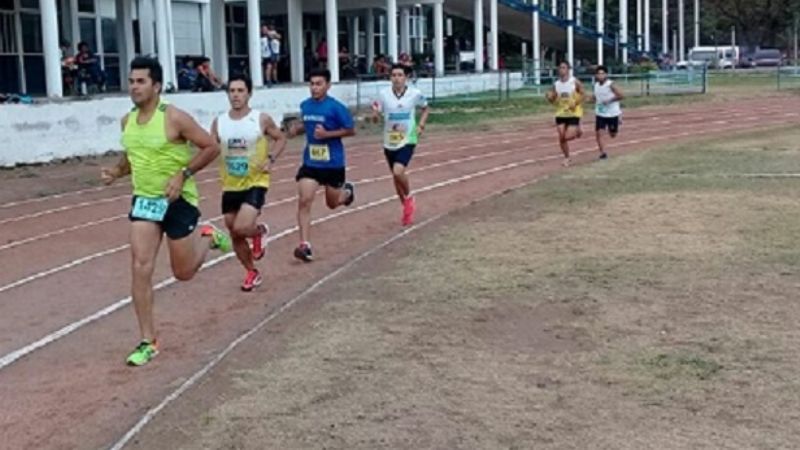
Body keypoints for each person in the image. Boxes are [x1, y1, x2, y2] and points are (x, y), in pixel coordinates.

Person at [100, 57, 231, 367]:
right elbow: (133, 156)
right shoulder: (127, 121)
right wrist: (117, 172)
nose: (134, 86)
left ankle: (209, 237)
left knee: (183, 273)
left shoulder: (174, 118)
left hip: (178, 203)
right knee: (140, 267)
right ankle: (148, 340)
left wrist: (182, 174)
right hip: (145, 202)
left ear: (156, 86)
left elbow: (211, 147)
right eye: (131, 81)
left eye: (141, 81)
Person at [210, 75, 287, 291]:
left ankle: (258, 232)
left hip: (255, 181)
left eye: (240, 90)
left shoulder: (260, 119)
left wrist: (270, 159)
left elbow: (280, 138)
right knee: (234, 232)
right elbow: (211, 147)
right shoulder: (219, 122)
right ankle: (251, 271)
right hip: (230, 185)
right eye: (232, 91)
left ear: (249, 93)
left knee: (242, 226)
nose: (235, 95)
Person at [287, 68, 356, 262]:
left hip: (333, 163)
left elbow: (350, 130)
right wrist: (296, 129)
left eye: (319, 84)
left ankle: (347, 194)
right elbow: (307, 126)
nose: (314, 88)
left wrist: (327, 135)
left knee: (332, 204)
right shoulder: (306, 106)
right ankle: (305, 245)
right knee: (304, 200)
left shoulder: (336, 108)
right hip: (311, 163)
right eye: (312, 84)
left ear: (328, 85)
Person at [370, 63, 429, 226]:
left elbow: (425, 108)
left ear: (406, 78)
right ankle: (406, 208)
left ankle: (409, 196)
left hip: (408, 139)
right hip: (389, 140)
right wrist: (374, 115)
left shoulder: (414, 94)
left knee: (398, 171)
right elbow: (376, 109)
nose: (396, 78)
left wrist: (420, 126)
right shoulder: (383, 94)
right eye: (393, 75)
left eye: (400, 75)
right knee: (396, 180)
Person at [546, 61, 585, 166]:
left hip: (573, 112)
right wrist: (549, 97)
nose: (561, 70)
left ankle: (578, 130)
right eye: (560, 68)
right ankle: (567, 157)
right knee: (562, 137)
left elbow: (582, 94)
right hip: (560, 113)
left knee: (567, 136)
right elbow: (553, 99)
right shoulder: (556, 84)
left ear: (568, 69)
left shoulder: (574, 82)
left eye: (564, 67)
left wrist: (576, 103)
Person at [590, 65, 624, 159]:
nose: (600, 76)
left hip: (612, 113)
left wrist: (609, 100)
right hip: (600, 113)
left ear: (606, 74)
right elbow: (595, 97)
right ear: (596, 75)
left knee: (613, 134)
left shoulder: (611, 84)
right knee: (599, 133)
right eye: (598, 74)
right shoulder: (596, 85)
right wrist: (586, 99)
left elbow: (621, 95)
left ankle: (618, 119)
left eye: (602, 73)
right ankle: (603, 153)